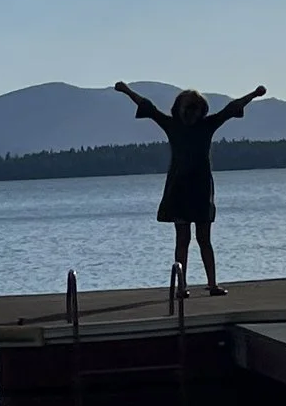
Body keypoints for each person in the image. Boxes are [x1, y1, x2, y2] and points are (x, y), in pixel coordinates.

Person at [114, 78, 266, 297]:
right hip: (180, 190)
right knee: (183, 239)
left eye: (195, 110)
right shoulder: (173, 125)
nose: (191, 114)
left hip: (200, 190)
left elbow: (231, 108)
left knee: (204, 239)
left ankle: (211, 283)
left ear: (201, 111)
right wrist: (127, 91)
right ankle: (182, 286)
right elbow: (148, 107)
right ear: (179, 110)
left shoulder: (206, 125)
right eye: (188, 109)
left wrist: (253, 95)